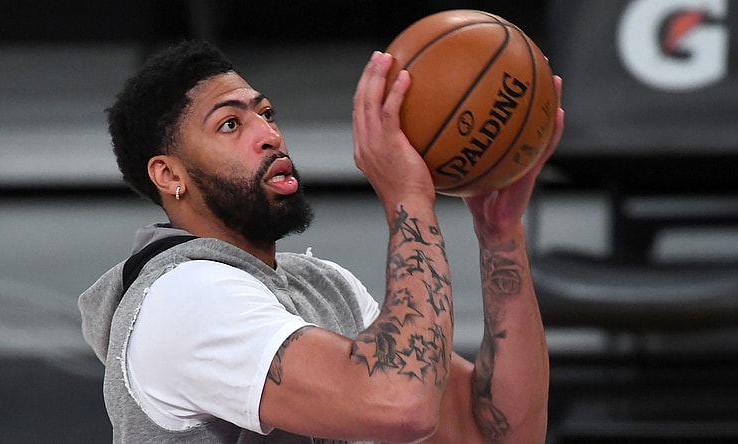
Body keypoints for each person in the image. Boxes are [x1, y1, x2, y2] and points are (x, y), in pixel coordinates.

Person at [79, 39, 564, 444]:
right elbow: (400, 405)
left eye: (267, 113)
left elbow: (498, 433)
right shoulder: (182, 297)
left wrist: (500, 237)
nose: (269, 135)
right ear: (169, 175)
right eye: (230, 124)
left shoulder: (325, 285)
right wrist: (408, 199)